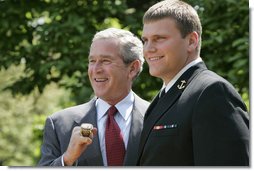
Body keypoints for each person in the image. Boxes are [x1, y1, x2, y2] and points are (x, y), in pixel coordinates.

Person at [136, 0, 249, 166]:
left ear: (191, 41)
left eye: (159, 39)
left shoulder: (211, 91)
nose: (148, 49)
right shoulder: (162, 97)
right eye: (145, 40)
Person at [38, 28, 150, 166]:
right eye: (92, 61)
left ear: (133, 68)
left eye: (105, 61)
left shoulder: (157, 118)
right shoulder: (58, 124)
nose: (96, 69)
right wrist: (67, 159)